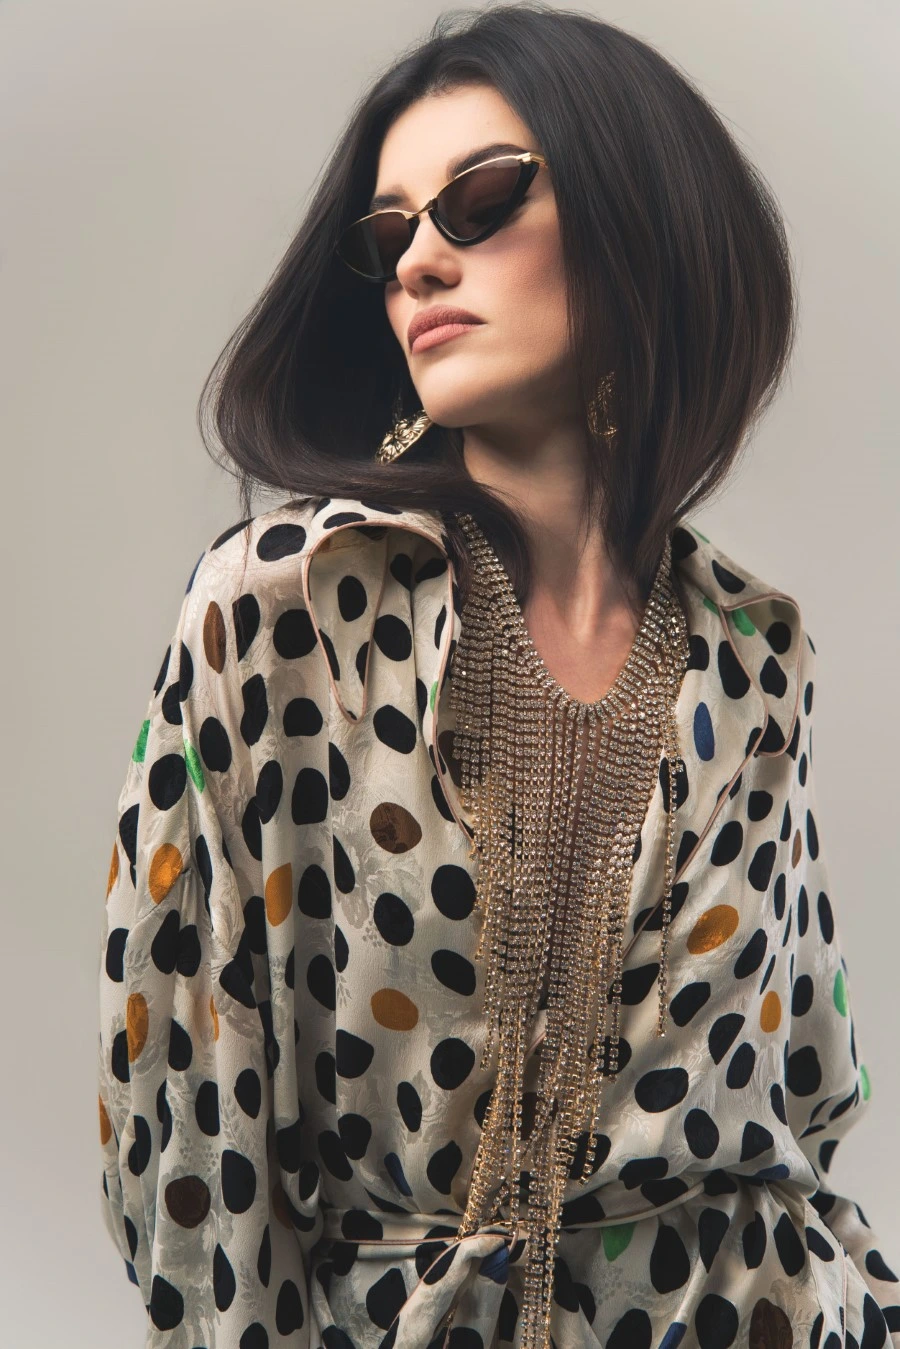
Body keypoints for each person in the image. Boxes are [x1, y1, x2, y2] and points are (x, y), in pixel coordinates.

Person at [97, 5, 900, 1346]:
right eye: (388, 235)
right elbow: (182, 1126)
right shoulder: (286, 611)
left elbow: (804, 1100)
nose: (419, 260)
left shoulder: (754, 657)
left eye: (479, 202)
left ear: (637, 220)